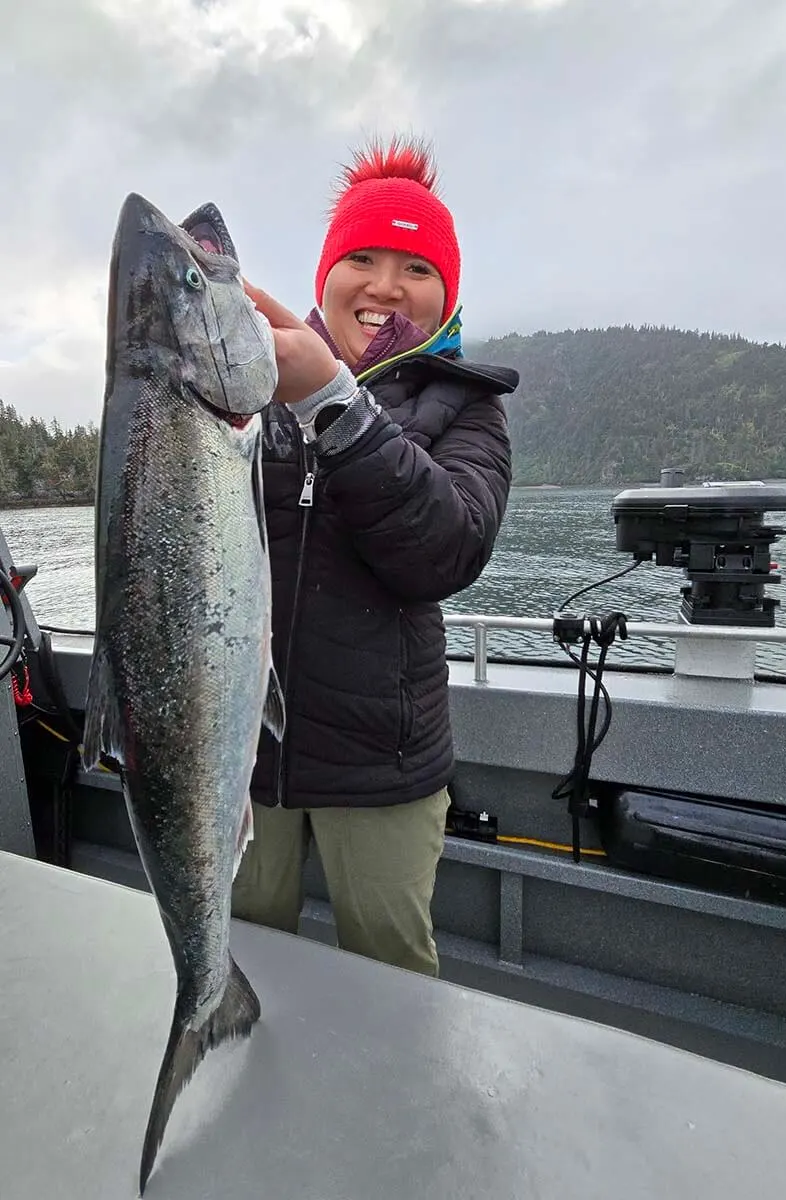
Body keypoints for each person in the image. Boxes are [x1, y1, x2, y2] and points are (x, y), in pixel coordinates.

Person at [229, 135, 518, 977]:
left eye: (416, 266)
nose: (386, 284)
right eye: (362, 256)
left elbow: (446, 550)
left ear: (447, 291)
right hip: (245, 752)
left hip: (385, 767)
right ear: (325, 274)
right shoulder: (253, 386)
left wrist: (333, 400)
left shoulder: (469, 409)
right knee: (243, 959)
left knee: (394, 977)